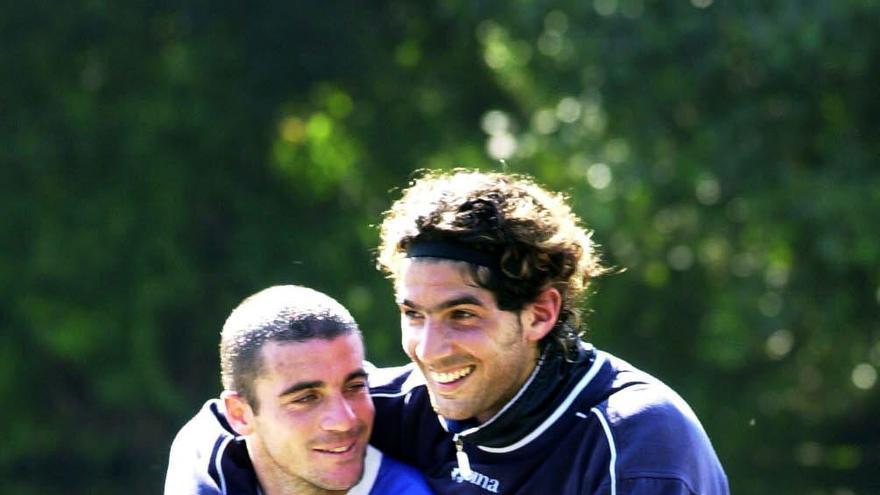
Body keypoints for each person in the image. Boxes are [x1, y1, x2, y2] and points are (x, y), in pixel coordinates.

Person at [369, 169, 729, 494]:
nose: (429, 351)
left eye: (462, 315)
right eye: (413, 315)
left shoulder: (638, 442)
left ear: (540, 314)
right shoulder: (379, 409)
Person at [163, 285, 433, 495]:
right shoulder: (206, 468)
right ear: (240, 415)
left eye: (354, 387)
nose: (344, 420)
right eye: (306, 398)